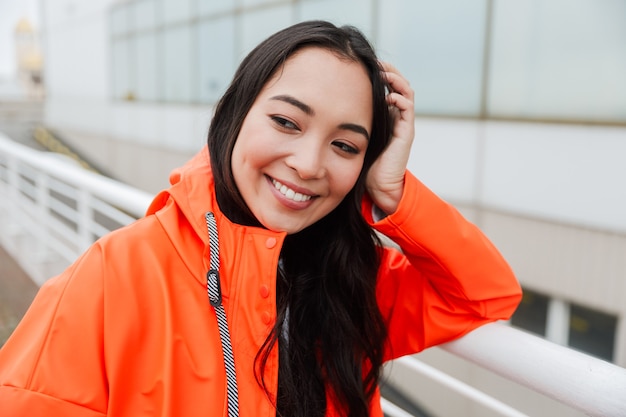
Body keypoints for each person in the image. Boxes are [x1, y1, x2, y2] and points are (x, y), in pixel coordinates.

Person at [0, 20, 521, 417]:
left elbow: (484, 295)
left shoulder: (349, 279)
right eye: (286, 121)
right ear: (235, 114)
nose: (310, 164)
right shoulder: (114, 274)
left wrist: (395, 192)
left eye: (344, 145)